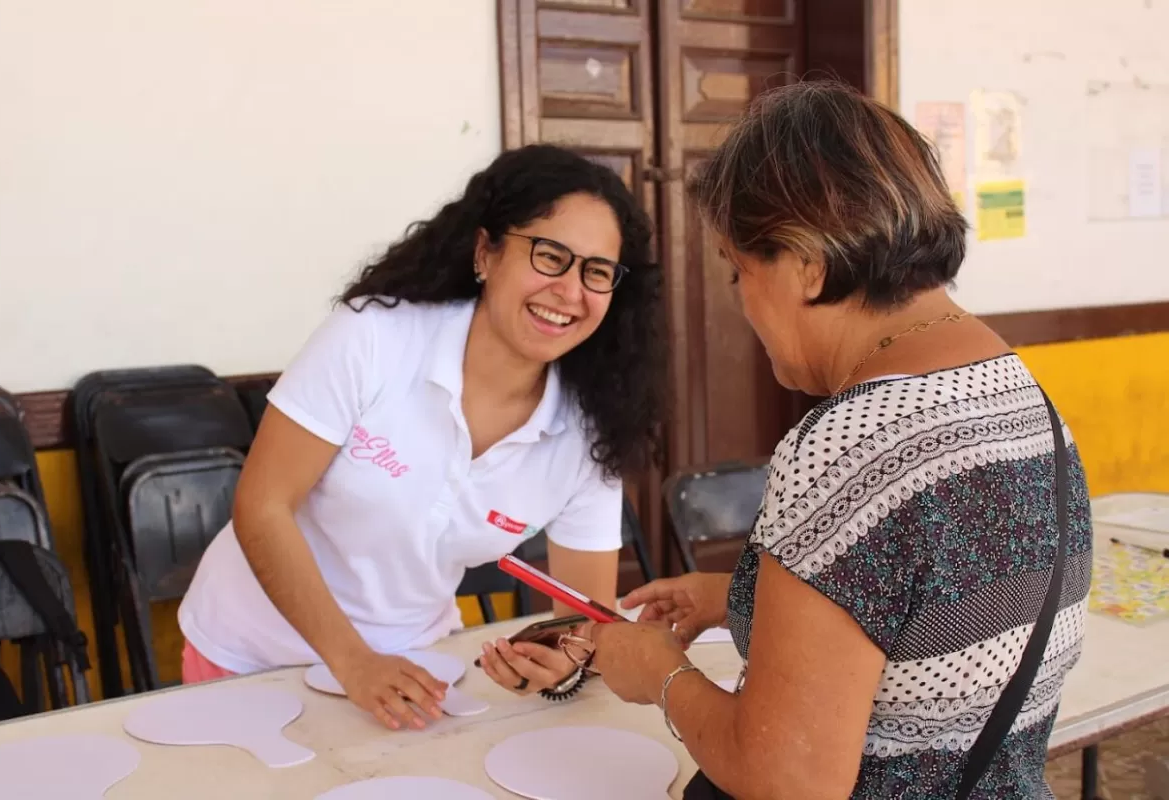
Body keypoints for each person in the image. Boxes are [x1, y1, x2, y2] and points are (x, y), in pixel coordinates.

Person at [578, 81, 1093, 799]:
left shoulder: (851, 439)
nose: (741, 302)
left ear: (806, 264)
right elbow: (927, 613)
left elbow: (787, 780)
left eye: (737, 269)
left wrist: (660, 674)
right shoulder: (1021, 395)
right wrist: (745, 599)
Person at [176, 144, 666, 732]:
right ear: (486, 253)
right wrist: (353, 661)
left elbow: (581, 618)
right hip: (250, 658)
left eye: (596, 272)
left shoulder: (594, 428)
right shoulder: (374, 337)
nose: (569, 291)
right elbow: (263, 505)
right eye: (550, 255)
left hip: (412, 674)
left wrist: (557, 664)